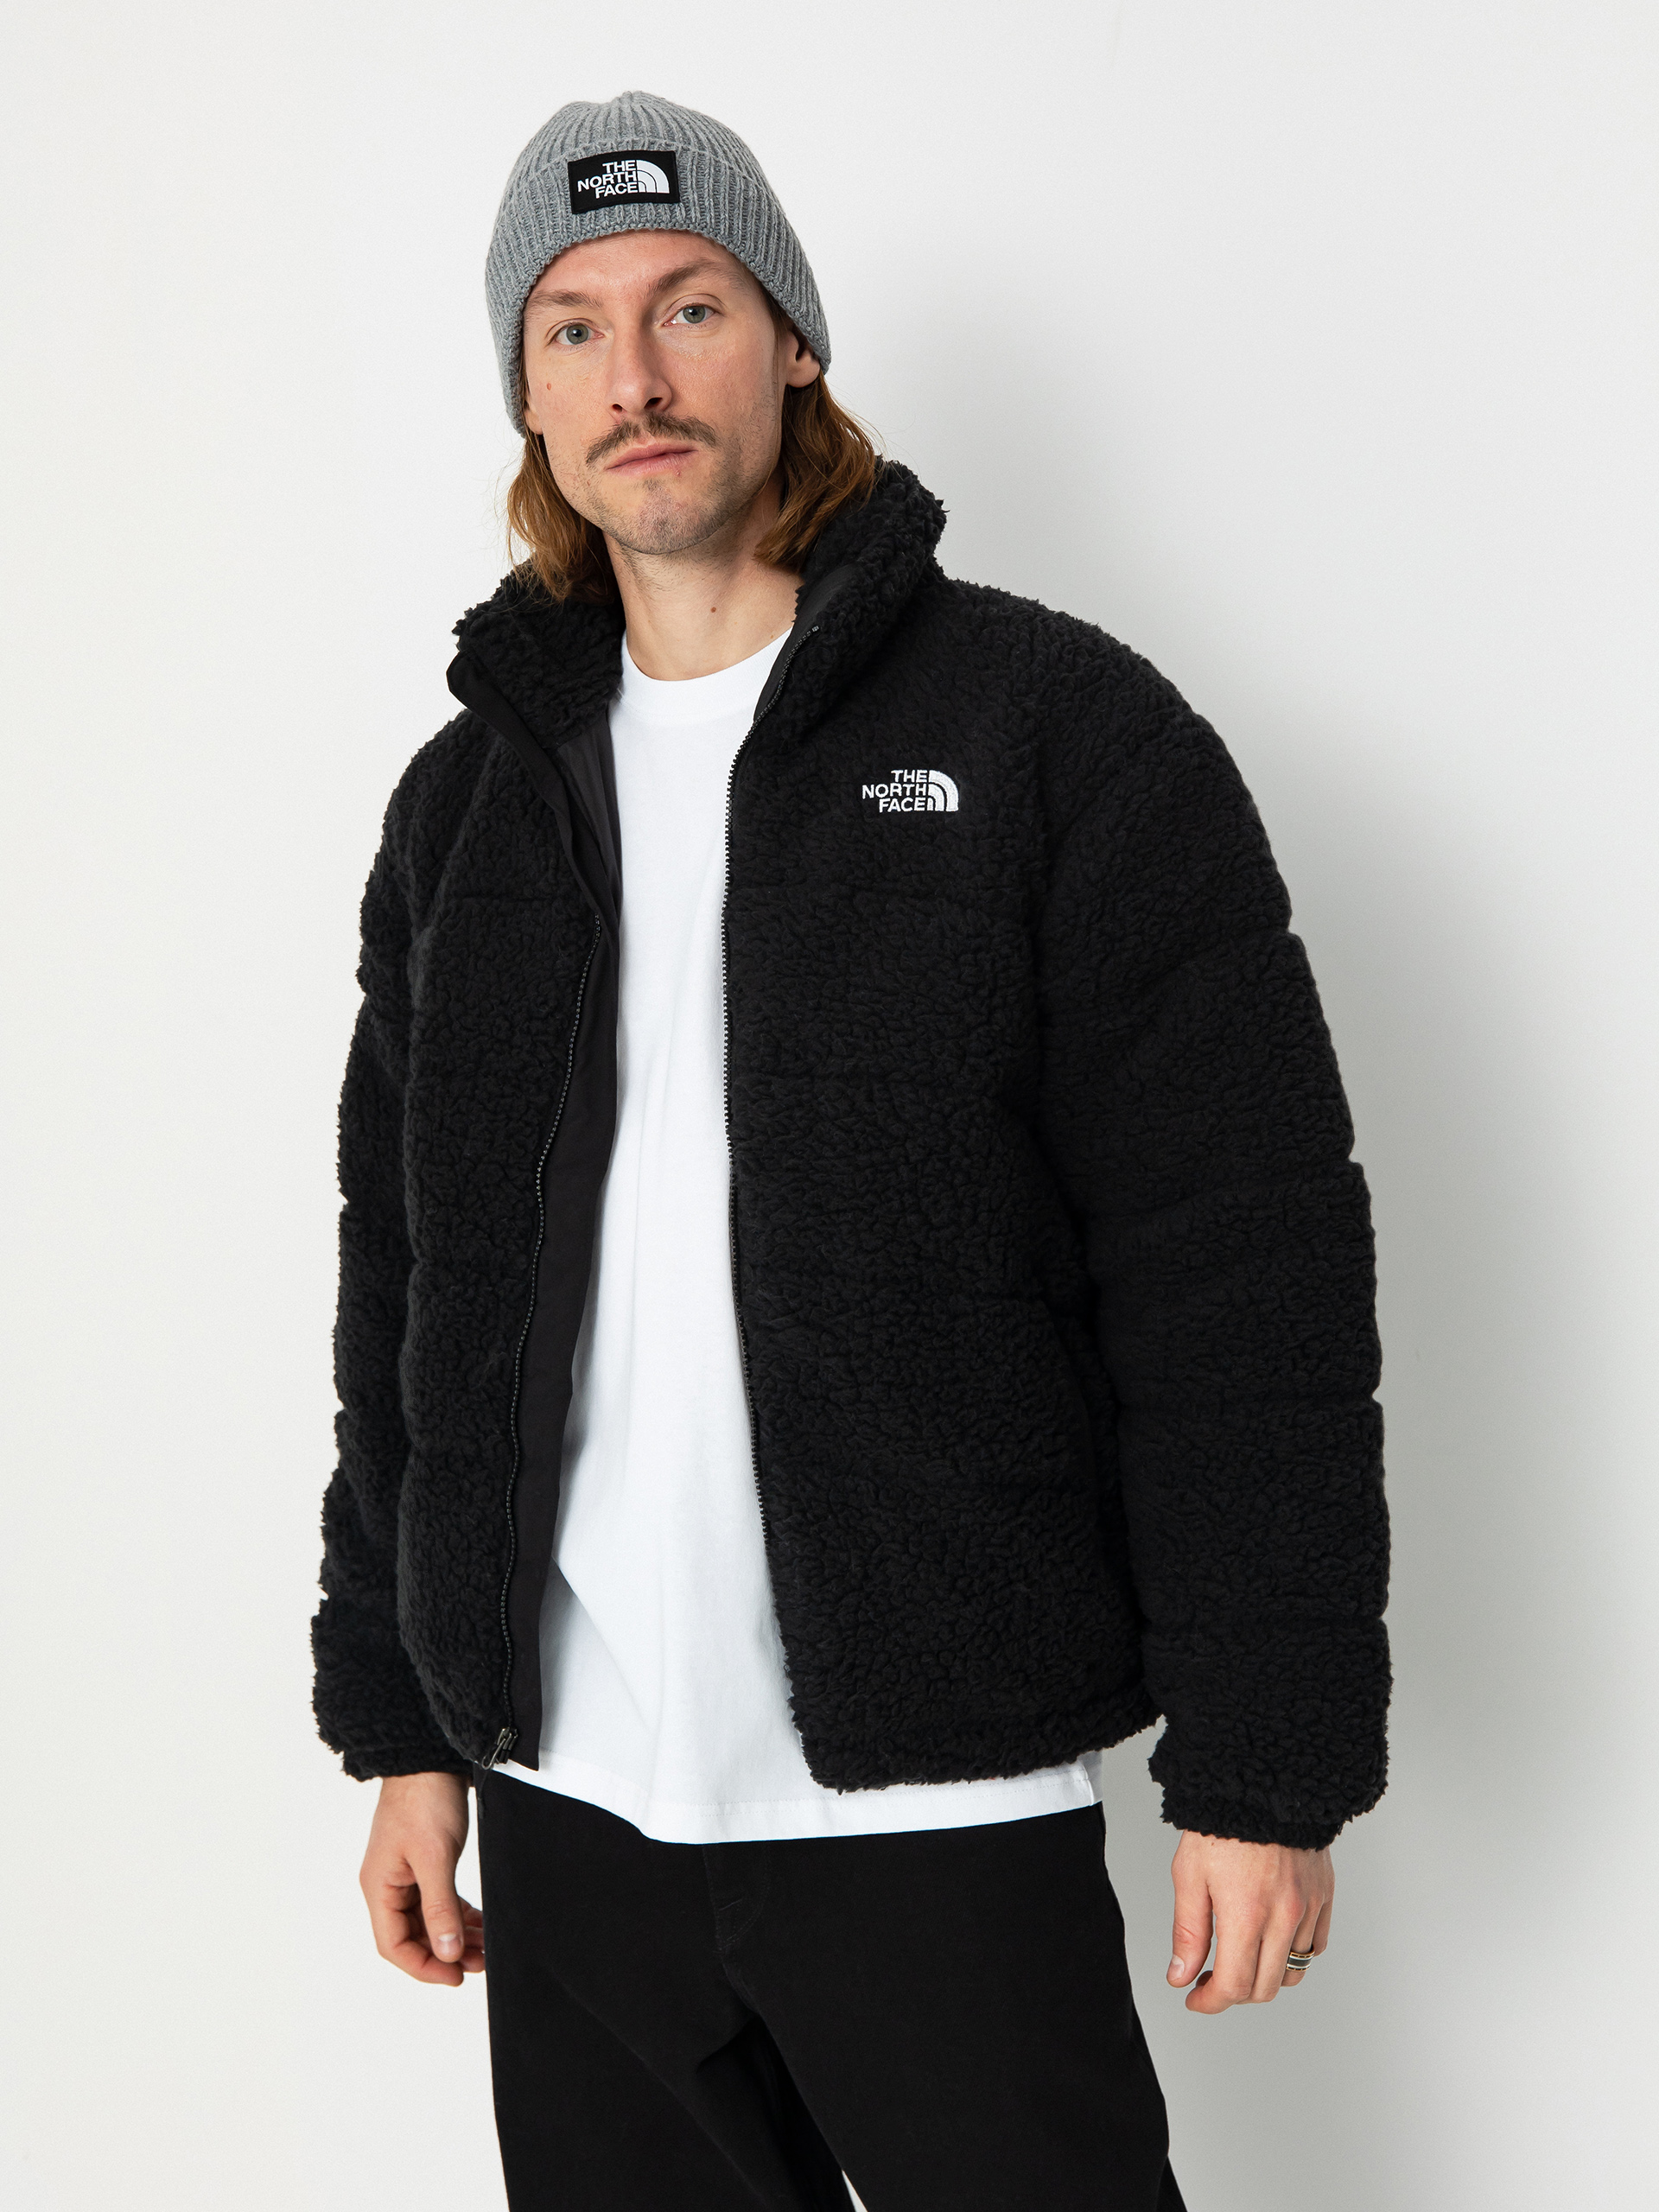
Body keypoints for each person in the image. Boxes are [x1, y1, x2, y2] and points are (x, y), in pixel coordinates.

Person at [311, 90, 1389, 2212]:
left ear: (792, 340)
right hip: (572, 1810)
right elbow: (405, 1299)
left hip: (935, 1804)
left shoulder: (1057, 737)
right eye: (572, 327)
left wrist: (1265, 1759)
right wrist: (407, 1724)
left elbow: (1244, 1280)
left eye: (691, 305)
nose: (634, 375)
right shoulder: (471, 806)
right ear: (528, 395)